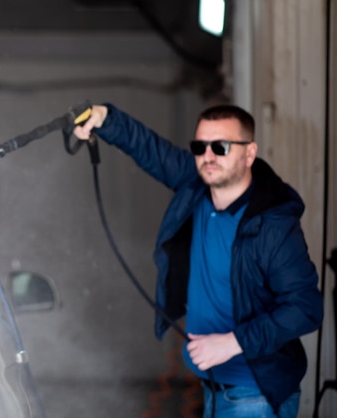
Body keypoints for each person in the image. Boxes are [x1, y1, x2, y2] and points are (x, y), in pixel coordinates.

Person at [73, 103, 323, 417]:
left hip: (253, 396)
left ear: (249, 153)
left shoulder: (272, 225)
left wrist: (231, 343)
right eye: (200, 146)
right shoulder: (197, 186)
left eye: (221, 146)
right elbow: (152, 150)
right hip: (213, 389)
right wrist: (106, 118)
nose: (208, 156)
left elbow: (306, 308)